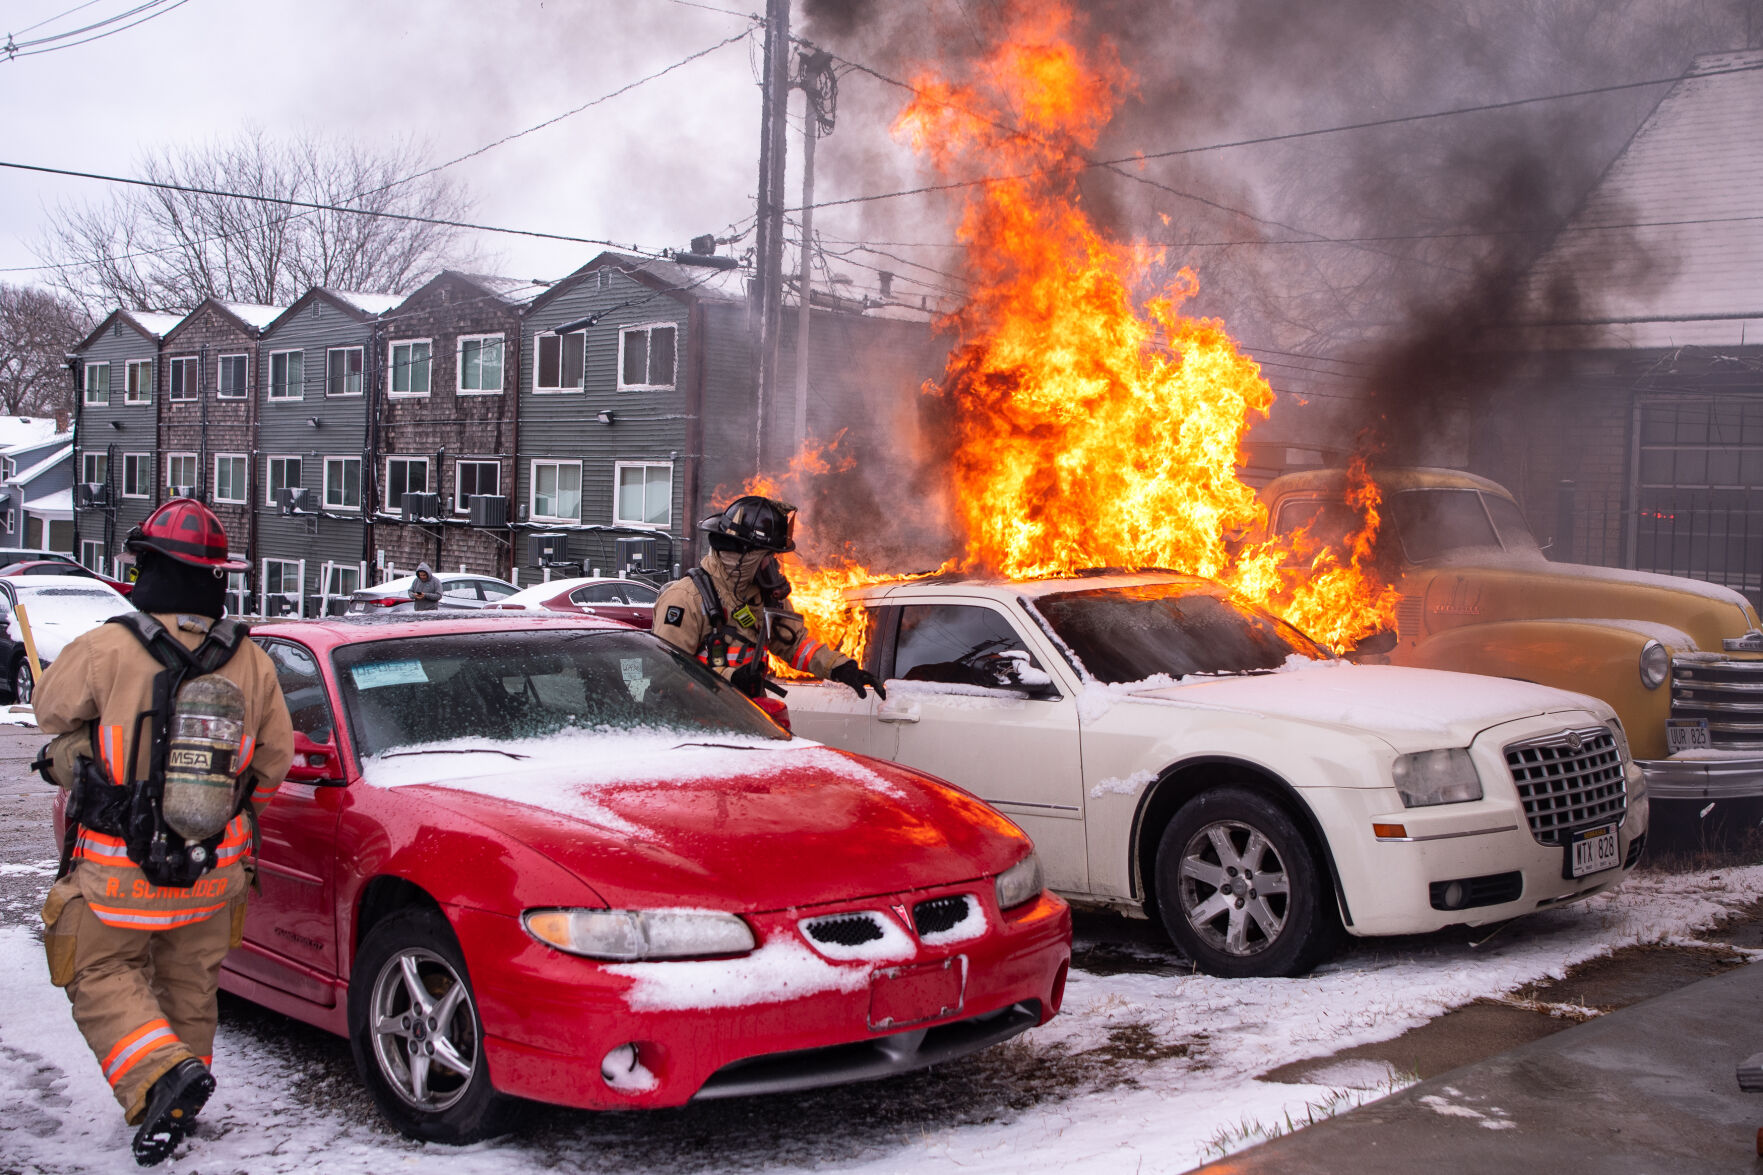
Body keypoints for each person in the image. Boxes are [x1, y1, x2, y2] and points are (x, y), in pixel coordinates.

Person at [35, 499, 294, 1166]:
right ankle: (178, 1102)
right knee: (189, 983)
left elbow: (48, 711)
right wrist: (225, 819)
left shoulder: (106, 645)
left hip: (118, 869)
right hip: (213, 869)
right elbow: (273, 761)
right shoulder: (253, 659)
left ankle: (160, 1075)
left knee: (96, 967)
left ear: (146, 566)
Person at [653, 495, 885, 700]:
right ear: (746, 556)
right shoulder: (686, 599)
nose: (773, 565)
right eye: (768, 556)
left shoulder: (763, 597)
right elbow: (667, 672)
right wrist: (730, 679)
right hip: (702, 724)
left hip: (750, 718)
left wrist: (840, 668)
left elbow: (794, 645)